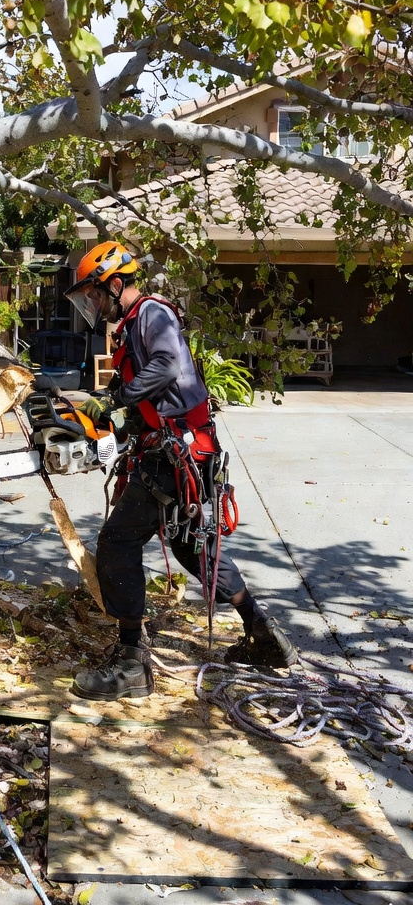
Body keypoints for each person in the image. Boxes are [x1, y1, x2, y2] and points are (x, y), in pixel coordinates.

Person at [63, 240, 297, 701]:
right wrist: (119, 426)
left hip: (176, 457)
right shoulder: (132, 325)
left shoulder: (152, 314)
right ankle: (263, 634)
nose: (91, 303)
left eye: (93, 293)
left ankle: (132, 664)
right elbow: (156, 398)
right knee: (192, 547)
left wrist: (113, 397)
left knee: (117, 542)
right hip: (185, 452)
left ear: (114, 284)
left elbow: (168, 366)